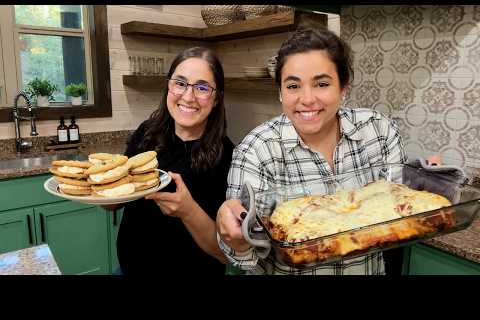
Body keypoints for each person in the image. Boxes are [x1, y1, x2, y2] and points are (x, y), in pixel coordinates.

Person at [216, 27, 413, 275]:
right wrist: (236, 237)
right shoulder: (257, 150)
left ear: (343, 88)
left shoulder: (379, 131)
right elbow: (244, 257)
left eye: (321, 83)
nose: (307, 99)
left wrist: (427, 181)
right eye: (293, 86)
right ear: (280, 92)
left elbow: (401, 214)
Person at [104, 46, 234, 275]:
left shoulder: (229, 157)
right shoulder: (148, 133)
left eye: (202, 87)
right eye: (180, 83)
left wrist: (188, 210)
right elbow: (115, 201)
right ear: (169, 86)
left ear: (216, 99)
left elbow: (224, 253)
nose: (188, 96)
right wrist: (100, 188)